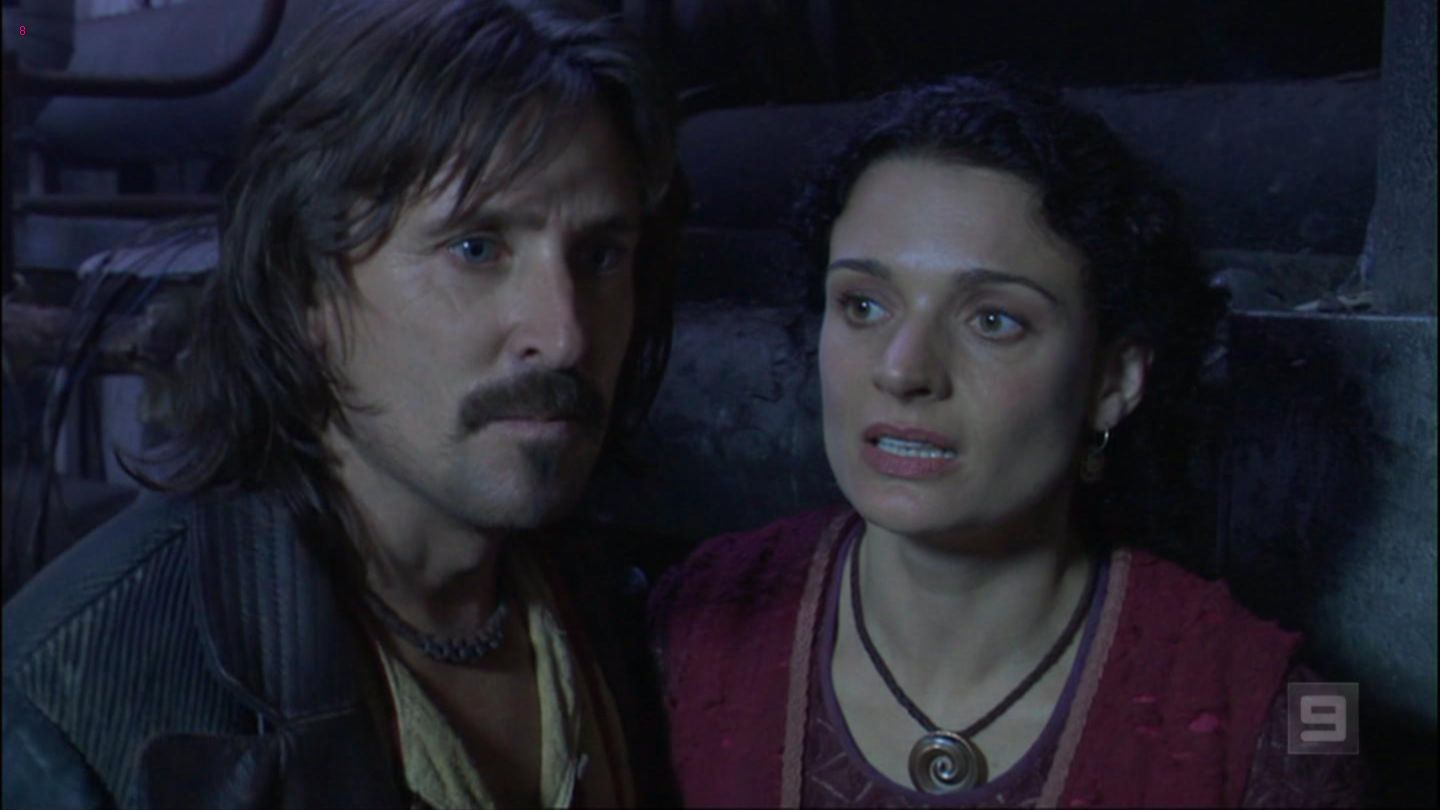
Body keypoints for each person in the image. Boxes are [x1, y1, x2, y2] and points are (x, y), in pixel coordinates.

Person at [2, 0, 682, 807]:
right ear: (306, 290)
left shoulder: (642, 626)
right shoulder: (71, 702)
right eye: (476, 248)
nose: (564, 336)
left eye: (600, 256)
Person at [650, 75, 1364, 807]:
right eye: (863, 305)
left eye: (993, 321)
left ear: (1113, 379)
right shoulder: (692, 621)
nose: (902, 369)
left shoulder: (1276, 717)